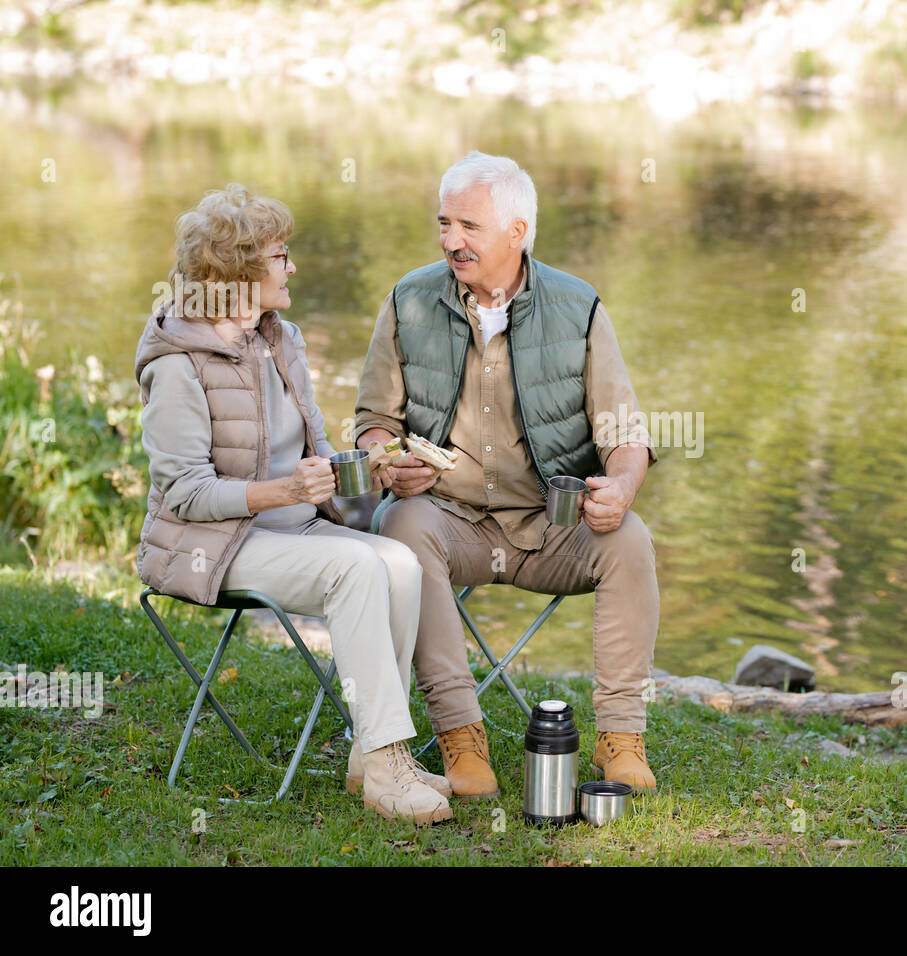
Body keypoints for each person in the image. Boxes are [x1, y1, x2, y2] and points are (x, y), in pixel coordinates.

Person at [134, 184, 451, 825]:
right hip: (211, 547)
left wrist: (379, 472)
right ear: (240, 269)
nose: (293, 267)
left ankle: (371, 752)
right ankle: (390, 761)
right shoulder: (179, 367)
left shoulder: (281, 341)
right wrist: (282, 492)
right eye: (282, 255)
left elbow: (318, 457)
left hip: (294, 529)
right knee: (357, 569)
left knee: (398, 562)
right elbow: (186, 495)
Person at [354, 151, 661, 799]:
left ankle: (620, 738)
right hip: (449, 522)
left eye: (468, 226)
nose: (449, 240)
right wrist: (389, 461)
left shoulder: (578, 308)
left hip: (550, 530)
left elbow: (625, 436)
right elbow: (373, 423)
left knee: (629, 537)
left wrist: (621, 487)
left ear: (518, 232)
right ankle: (461, 739)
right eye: (443, 223)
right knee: (398, 523)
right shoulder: (408, 301)